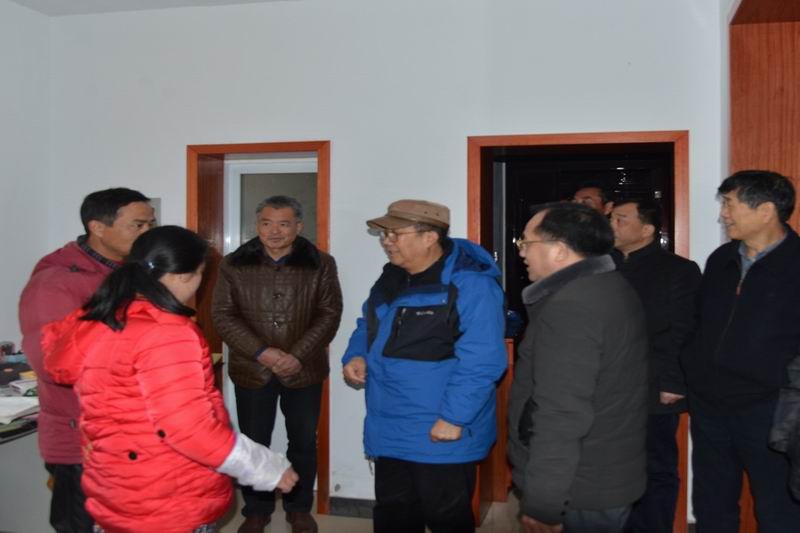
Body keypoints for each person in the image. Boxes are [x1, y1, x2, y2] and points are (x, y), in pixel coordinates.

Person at [41, 226, 299, 533]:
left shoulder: (100, 320)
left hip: (116, 485)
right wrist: (265, 467)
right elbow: (189, 429)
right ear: (184, 276)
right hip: (168, 494)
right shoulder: (166, 333)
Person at [342, 199, 507, 533]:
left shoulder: (471, 285)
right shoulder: (391, 278)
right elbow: (367, 325)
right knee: (394, 513)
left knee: (446, 517)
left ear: (430, 237)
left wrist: (454, 418)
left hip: (439, 428)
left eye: (395, 234)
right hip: (389, 425)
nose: (386, 241)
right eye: (384, 234)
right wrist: (356, 355)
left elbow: (483, 359)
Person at [18, 187, 156, 533]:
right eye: (138, 225)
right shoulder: (56, 284)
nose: (146, 234)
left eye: (150, 225)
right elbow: (54, 365)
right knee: (80, 525)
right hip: (81, 438)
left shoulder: (131, 273)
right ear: (97, 227)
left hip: (126, 431)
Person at [508, 202, 648, 533]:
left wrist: (544, 503)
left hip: (580, 486)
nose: (522, 252)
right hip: (604, 470)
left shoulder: (572, 306)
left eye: (526, 243)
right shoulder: (609, 285)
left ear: (559, 250)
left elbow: (561, 413)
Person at [212, 195, 343, 533]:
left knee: (303, 441)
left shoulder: (320, 263)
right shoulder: (233, 264)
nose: (274, 231)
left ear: (298, 226)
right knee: (254, 440)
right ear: (257, 226)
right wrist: (262, 352)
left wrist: (296, 355)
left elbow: (329, 314)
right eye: (266, 223)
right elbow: (222, 315)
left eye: (283, 224)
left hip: (304, 369)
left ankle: (299, 507)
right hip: (252, 368)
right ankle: (257, 510)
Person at [682, 170, 800, 531]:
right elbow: (699, 320)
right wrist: (692, 368)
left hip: (770, 408)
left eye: (730, 205)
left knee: (778, 506)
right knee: (711, 501)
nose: (723, 215)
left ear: (765, 211)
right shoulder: (721, 259)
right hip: (709, 404)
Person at [609, 199, 701, 533]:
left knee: (656, 466)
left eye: (621, 219)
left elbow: (684, 329)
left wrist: (673, 382)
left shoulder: (678, 270)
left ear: (646, 229)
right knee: (612, 467)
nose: (611, 225)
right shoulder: (603, 266)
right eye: (611, 218)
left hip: (654, 387)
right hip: (607, 388)